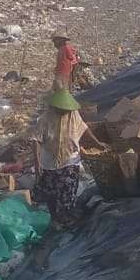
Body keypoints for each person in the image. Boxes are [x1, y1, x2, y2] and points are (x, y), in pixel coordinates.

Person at [30, 88, 88, 224]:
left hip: (70, 160)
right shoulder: (45, 119)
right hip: (50, 162)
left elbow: (83, 128)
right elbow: (36, 140)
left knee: (68, 188)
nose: (64, 112)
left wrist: (96, 142)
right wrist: (37, 162)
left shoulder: (73, 115)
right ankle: (55, 217)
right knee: (52, 192)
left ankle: (66, 216)